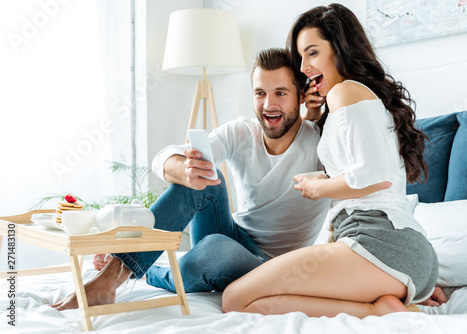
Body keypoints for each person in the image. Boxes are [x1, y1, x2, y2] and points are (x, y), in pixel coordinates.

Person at [50, 47, 331, 310]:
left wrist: (317, 114)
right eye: (260, 93)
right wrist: (185, 170)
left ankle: (153, 273)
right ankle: (108, 281)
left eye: (281, 93)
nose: (268, 105)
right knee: (205, 175)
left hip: (272, 264)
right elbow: (165, 157)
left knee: (214, 251)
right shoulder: (242, 132)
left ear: (300, 95)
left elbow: (360, 181)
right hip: (232, 233)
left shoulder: (322, 142)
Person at [222, 4, 440, 318]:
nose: (305, 67)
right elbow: (370, 174)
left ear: (340, 49)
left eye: (312, 53)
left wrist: (318, 187)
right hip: (398, 254)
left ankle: (375, 311)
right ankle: (378, 306)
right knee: (256, 305)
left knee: (234, 298)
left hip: (379, 244)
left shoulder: (346, 92)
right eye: (301, 57)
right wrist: (312, 115)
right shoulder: (357, 98)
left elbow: (375, 178)